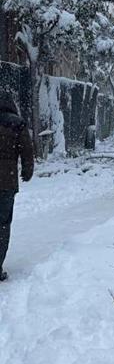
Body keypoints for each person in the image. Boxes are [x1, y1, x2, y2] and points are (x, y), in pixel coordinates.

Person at [0, 92, 34, 280]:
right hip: (6, 183)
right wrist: (27, 171)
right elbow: (27, 150)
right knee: (3, 224)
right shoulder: (17, 123)